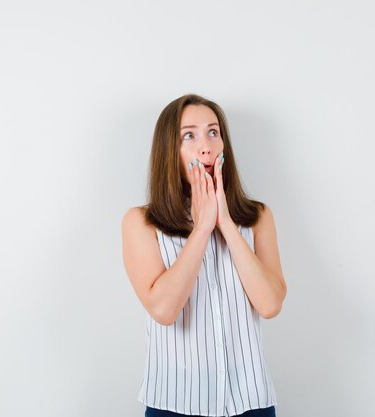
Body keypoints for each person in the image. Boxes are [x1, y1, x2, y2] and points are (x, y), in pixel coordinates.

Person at [121, 94, 287, 417]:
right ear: (169, 151)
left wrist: (225, 222)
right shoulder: (140, 223)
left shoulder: (259, 217)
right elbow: (165, 309)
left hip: (251, 402)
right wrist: (201, 230)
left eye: (213, 132)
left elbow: (270, 304)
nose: (206, 146)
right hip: (175, 403)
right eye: (189, 135)